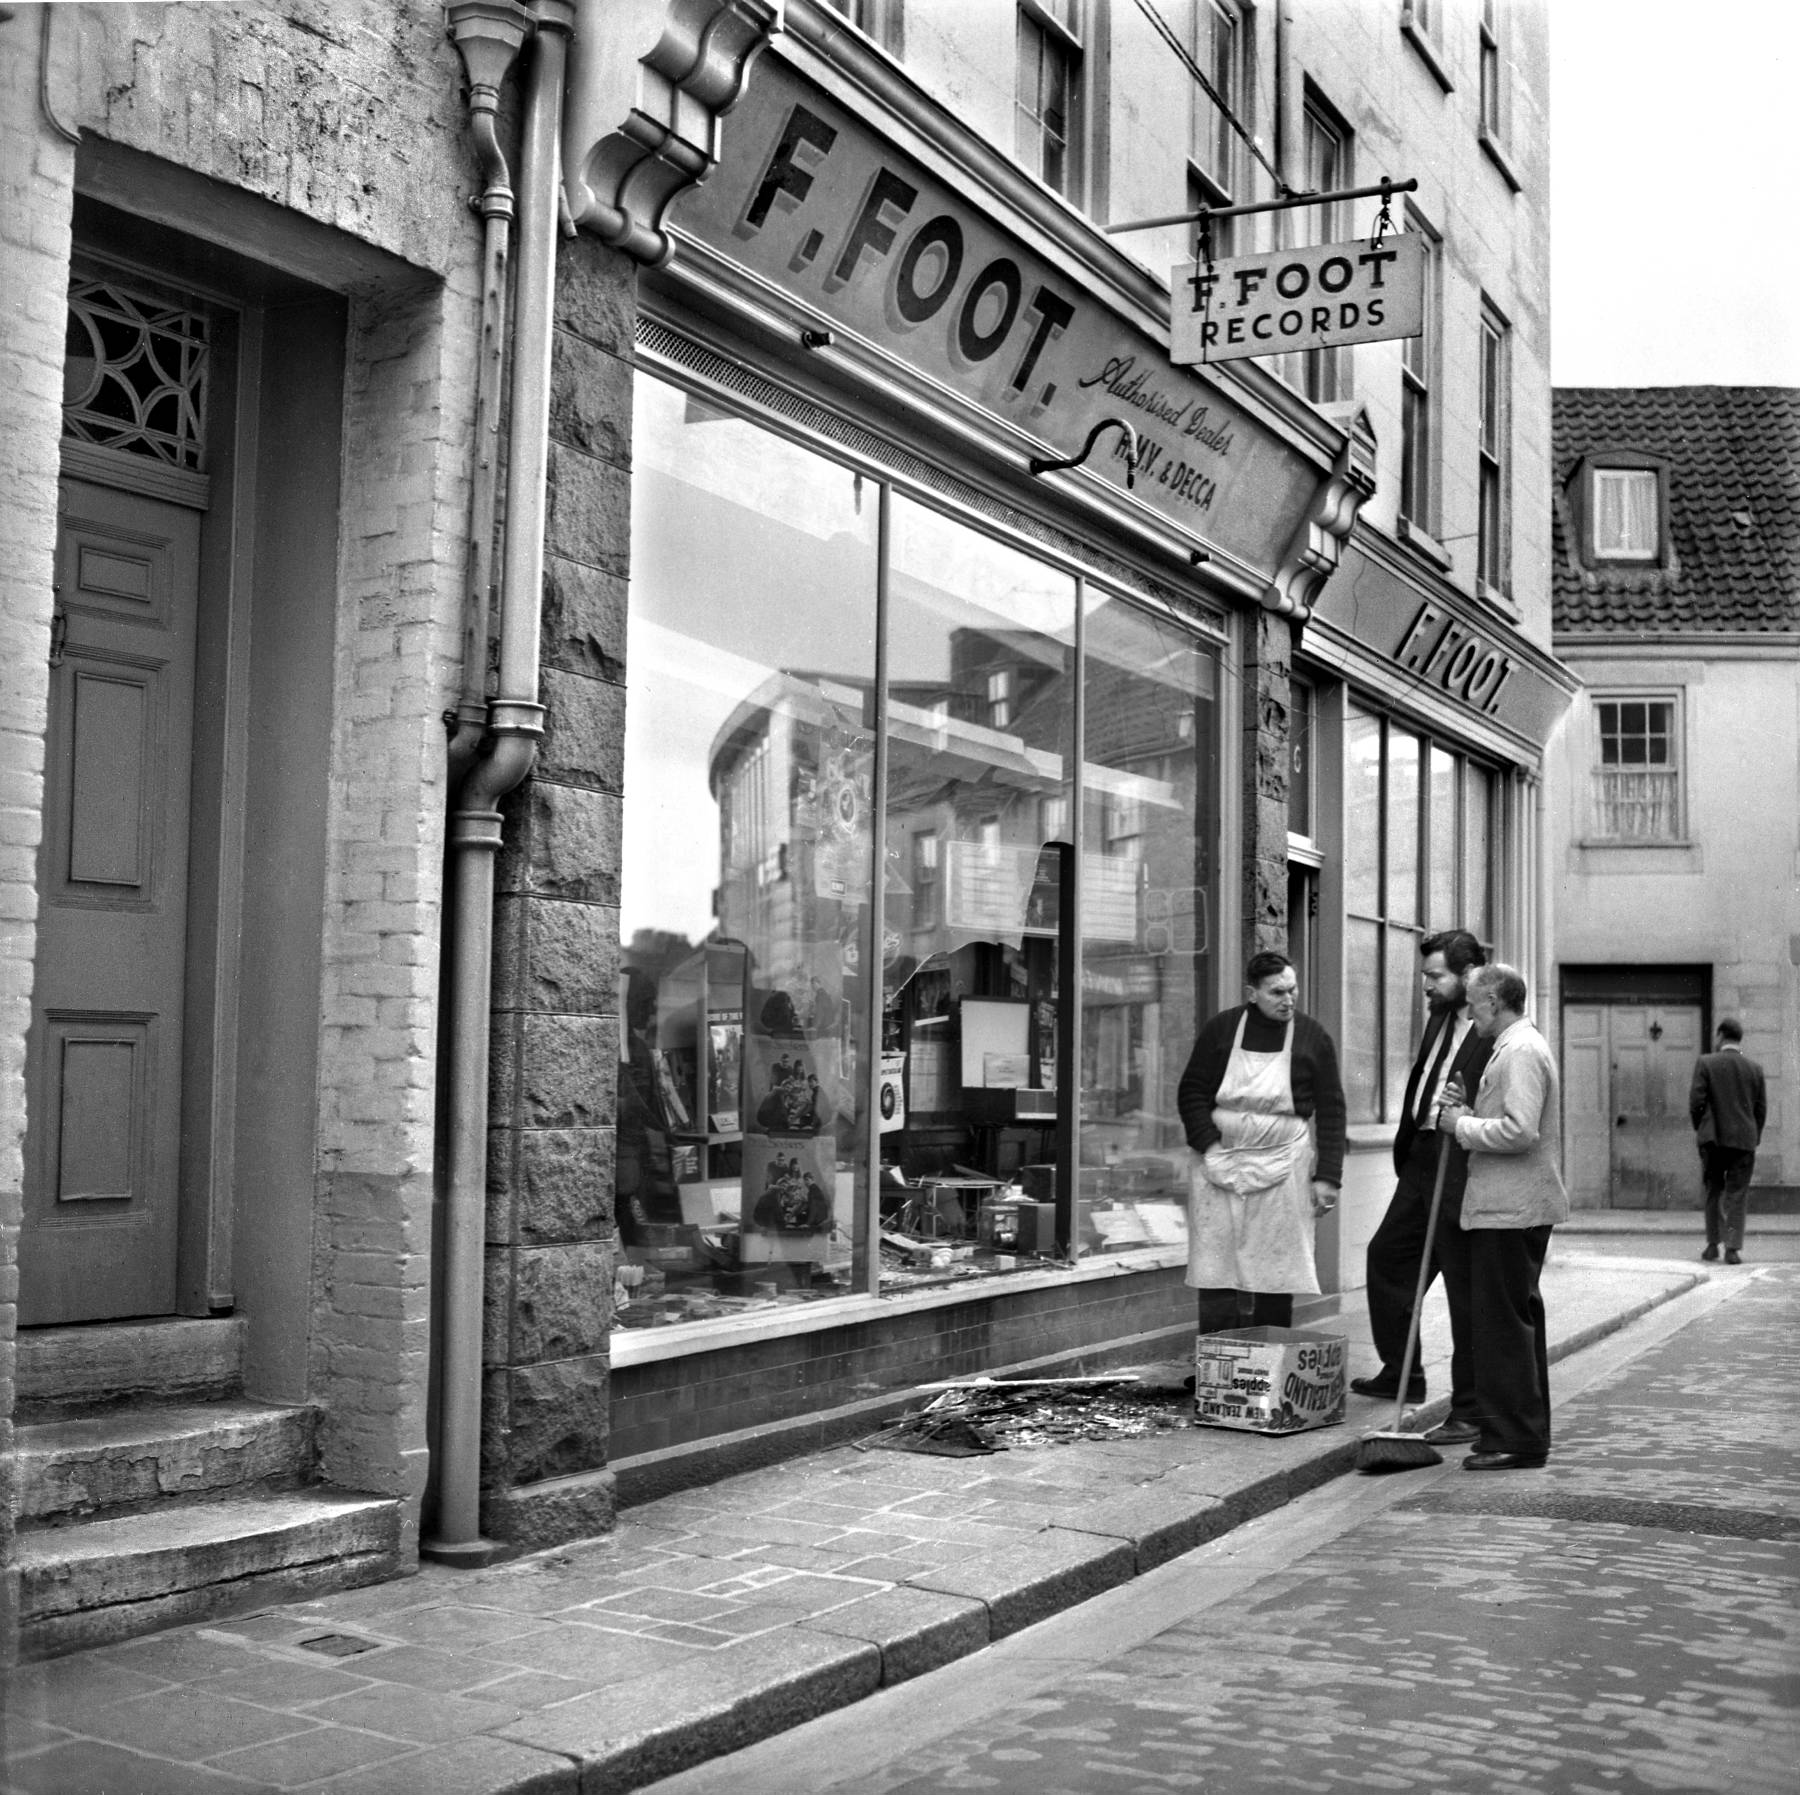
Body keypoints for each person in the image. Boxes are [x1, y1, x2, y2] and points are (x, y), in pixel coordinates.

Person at [1351, 931, 1495, 1441]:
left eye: (1436, 976)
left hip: (1464, 1161)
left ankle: (1471, 1408)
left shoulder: (1494, 1028)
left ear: (1470, 973)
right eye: (1425, 976)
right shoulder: (1440, 1016)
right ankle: (1403, 1371)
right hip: (1423, 1158)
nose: (1427, 986)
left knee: (1463, 1285)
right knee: (1388, 1256)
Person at [1436, 963, 1569, 1471]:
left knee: (1504, 1328)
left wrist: (1461, 1124)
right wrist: (1468, 1108)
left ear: (1493, 1001)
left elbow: (1519, 1132)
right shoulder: (1515, 1049)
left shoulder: (1519, 1051)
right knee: (1512, 1325)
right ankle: (1518, 1434)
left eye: (1472, 1003)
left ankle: (1515, 1439)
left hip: (1511, 1211)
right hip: (1508, 1208)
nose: (1468, 1012)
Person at [1178, 951, 1346, 1335]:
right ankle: (1218, 1367)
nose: (1288, 1000)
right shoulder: (1222, 1029)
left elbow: (1333, 1109)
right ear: (1251, 993)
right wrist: (1210, 1146)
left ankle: (1268, 1363)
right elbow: (1191, 1093)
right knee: (1217, 1265)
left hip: (1285, 1162)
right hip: (1220, 1159)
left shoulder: (1312, 1036)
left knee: (1276, 1266)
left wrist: (1328, 1177)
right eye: (1276, 993)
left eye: (1293, 990)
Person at [1689, 1018, 1766, 1265]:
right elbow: (1761, 1109)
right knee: (1737, 1194)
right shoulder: (1754, 1069)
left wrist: (1702, 1129)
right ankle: (1732, 1249)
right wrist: (1754, 1136)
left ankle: (1712, 1246)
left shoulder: (1706, 1063)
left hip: (1713, 1140)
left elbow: (1696, 1103)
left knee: (1714, 1190)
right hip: (1744, 1141)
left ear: (1721, 1035)